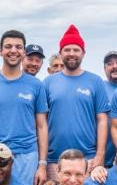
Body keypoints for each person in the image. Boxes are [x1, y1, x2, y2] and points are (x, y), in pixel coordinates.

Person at [0, 29, 49, 185]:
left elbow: (42, 126)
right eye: (8, 46)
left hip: (27, 157)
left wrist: (42, 164)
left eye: (18, 47)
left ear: (23, 52)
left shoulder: (36, 85)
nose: (13, 50)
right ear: (0, 51)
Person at [44, 25, 110, 177]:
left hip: (87, 158)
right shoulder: (48, 83)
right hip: (54, 160)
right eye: (67, 50)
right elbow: (42, 123)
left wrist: (99, 156)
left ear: (83, 53)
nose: (71, 53)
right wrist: (43, 160)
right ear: (60, 53)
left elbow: (102, 120)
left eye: (76, 50)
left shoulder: (95, 81)